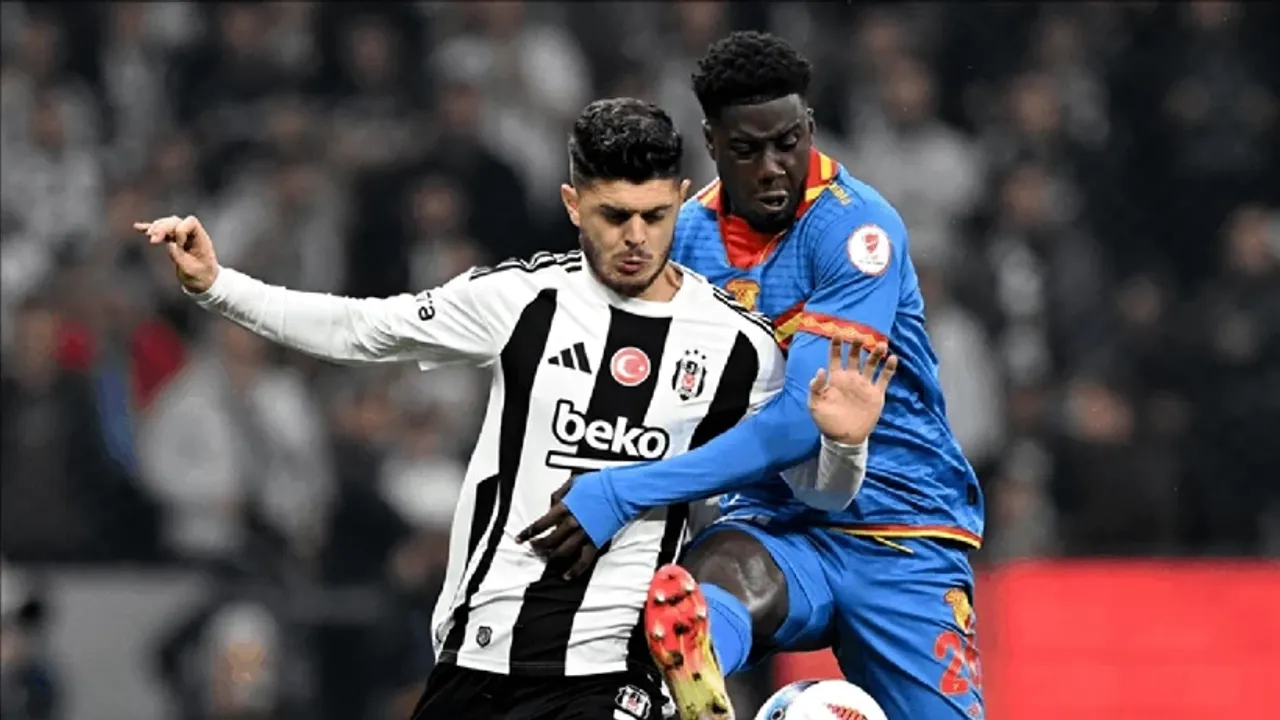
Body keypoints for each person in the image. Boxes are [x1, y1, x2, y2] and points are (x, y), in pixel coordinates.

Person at [135, 97, 897, 720]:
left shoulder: (739, 348)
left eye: (654, 215)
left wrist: (844, 446)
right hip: (479, 652)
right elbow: (362, 330)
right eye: (613, 216)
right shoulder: (523, 301)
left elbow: (816, 495)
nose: (636, 238)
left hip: (614, 668)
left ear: (680, 201)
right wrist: (220, 287)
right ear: (572, 204)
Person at [519, 33, 986, 720]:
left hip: (899, 526)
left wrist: (621, 492)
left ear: (810, 129)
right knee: (709, 582)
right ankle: (697, 680)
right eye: (747, 150)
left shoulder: (857, 232)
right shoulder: (683, 240)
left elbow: (800, 426)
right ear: (712, 142)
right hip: (774, 522)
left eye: (787, 144)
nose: (772, 169)